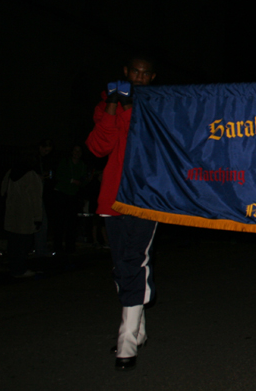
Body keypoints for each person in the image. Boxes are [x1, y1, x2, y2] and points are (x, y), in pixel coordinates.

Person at [86, 55, 157, 371]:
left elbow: (140, 143)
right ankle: (138, 331)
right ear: (126, 73)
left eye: (145, 74)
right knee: (120, 266)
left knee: (133, 261)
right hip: (112, 198)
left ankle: (126, 342)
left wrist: (129, 107)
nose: (139, 78)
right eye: (135, 72)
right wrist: (113, 105)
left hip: (144, 197)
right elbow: (98, 147)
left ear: (151, 77)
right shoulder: (105, 105)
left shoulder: (157, 105)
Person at [1, 152, 43, 278]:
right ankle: (20, 269)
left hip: (11, 213)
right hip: (26, 215)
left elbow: (3, 191)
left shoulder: (11, 172)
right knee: (23, 244)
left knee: (13, 243)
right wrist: (38, 218)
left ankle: (14, 267)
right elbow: (36, 198)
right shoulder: (31, 175)